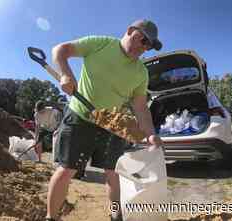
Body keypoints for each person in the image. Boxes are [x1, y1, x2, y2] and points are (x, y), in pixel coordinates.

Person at [45, 19, 163, 221]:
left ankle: (116, 215)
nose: (145, 48)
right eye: (143, 40)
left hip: (111, 123)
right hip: (80, 117)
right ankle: (51, 217)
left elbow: (141, 108)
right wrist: (66, 75)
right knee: (67, 170)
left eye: (149, 45)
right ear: (130, 31)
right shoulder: (101, 44)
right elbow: (60, 50)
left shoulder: (141, 72)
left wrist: (151, 134)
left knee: (113, 172)